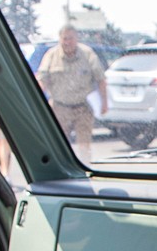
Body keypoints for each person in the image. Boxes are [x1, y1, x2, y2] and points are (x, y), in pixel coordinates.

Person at [35, 24, 107, 159]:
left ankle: (85, 170)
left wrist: (104, 103)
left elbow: (101, 79)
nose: (67, 42)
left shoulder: (88, 54)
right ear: (60, 39)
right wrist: (39, 104)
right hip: (60, 108)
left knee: (84, 147)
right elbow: (42, 80)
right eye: (64, 39)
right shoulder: (51, 55)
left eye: (71, 39)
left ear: (76, 38)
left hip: (83, 108)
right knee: (59, 145)